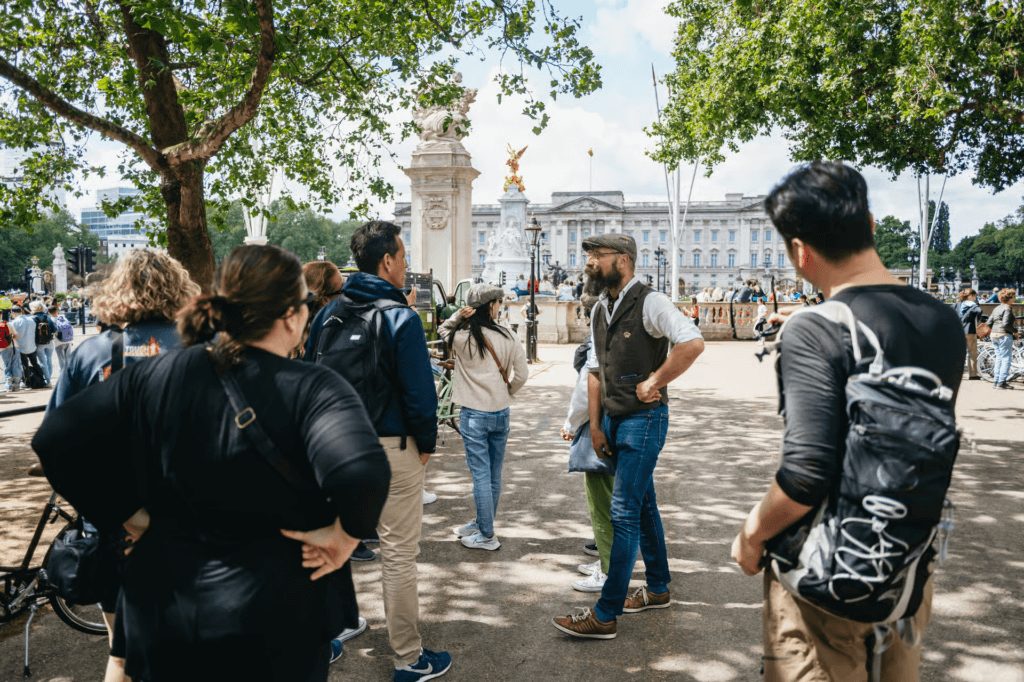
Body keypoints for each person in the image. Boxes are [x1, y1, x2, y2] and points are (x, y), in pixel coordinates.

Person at [34, 244, 390, 682]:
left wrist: (125, 514)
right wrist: (343, 536)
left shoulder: (150, 377)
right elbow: (362, 473)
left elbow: (55, 438)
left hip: (167, 600)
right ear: (292, 316)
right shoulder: (316, 388)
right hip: (280, 604)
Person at [730, 161, 964, 681]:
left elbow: (806, 474)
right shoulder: (942, 320)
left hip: (825, 578)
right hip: (907, 569)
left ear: (799, 251)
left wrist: (751, 535)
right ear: (872, 226)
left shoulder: (814, 330)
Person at [45, 248, 201, 681]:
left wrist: (122, 514)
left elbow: (58, 445)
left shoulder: (90, 353)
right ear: (179, 288)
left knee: (124, 652)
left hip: (114, 529)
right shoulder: (205, 349)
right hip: (191, 526)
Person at [305, 221, 451, 682]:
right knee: (398, 554)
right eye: (404, 257)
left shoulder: (326, 316)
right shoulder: (399, 316)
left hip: (331, 447)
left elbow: (308, 380)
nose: (407, 266)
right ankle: (409, 658)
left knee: (327, 544)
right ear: (386, 261)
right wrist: (425, 445)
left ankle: (326, 636)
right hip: (390, 446)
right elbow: (419, 395)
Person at [551, 233, 704, 640]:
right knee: (644, 506)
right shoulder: (602, 307)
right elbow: (596, 373)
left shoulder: (651, 302)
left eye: (597, 256)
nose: (589, 262)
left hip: (645, 419)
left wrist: (656, 379)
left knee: (623, 512)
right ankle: (657, 588)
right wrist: (597, 426)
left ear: (623, 260)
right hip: (616, 421)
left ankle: (605, 614)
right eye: (589, 256)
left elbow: (692, 342)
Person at [441, 284, 528, 550]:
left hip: (474, 414)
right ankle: (482, 523)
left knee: (480, 475)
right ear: (491, 306)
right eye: (499, 302)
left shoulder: (461, 336)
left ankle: (487, 535)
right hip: (501, 412)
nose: (500, 305)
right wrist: (506, 392)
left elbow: (443, 330)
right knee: (493, 474)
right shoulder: (508, 335)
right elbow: (522, 375)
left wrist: (457, 316)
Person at [559, 291, 612, 592]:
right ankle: (607, 560)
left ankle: (607, 570)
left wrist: (571, 424)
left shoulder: (598, 335)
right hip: (624, 420)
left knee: (601, 503)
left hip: (601, 424)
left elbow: (585, 388)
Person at [990, 288, 1018, 390]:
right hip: (1004, 335)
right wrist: (1015, 330)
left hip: (994, 335)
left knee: (999, 359)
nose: (1014, 298)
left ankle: (996, 381)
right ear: (1009, 298)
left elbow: (989, 322)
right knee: (1006, 359)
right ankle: (1002, 382)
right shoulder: (1007, 309)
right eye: (1013, 297)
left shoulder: (997, 308)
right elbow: (1005, 324)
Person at [10, 306, 40, 389]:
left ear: (14, 313)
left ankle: (27, 382)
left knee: (24, 365)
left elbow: (12, 334)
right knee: (35, 363)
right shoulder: (31, 320)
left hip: (21, 347)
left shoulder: (15, 322)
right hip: (32, 346)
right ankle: (41, 378)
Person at [957, 289, 983, 380]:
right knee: (972, 353)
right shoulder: (973, 305)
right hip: (970, 331)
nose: (975, 298)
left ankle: (957, 374)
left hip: (959, 331)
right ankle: (972, 374)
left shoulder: (958, 305)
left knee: (960, 353)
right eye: (974, 296)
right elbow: (979, 311)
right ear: (971, 296)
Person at [30, 300, 56, 386]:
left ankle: (47, 380)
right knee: (49, 359)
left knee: (42, 361)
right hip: (49, 341)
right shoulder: (47, 317)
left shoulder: (32, 318)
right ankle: (49, 379)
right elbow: (54, 329)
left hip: (39, 343)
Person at [0, 315, 17, 392]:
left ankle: (9, 385)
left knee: (7, 367)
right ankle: (11, 385)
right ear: (1, 315)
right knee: (9, 367)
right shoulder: (7, 324)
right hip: (9, 347)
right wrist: (9, 337)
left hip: (2, 349)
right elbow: (16, 336)